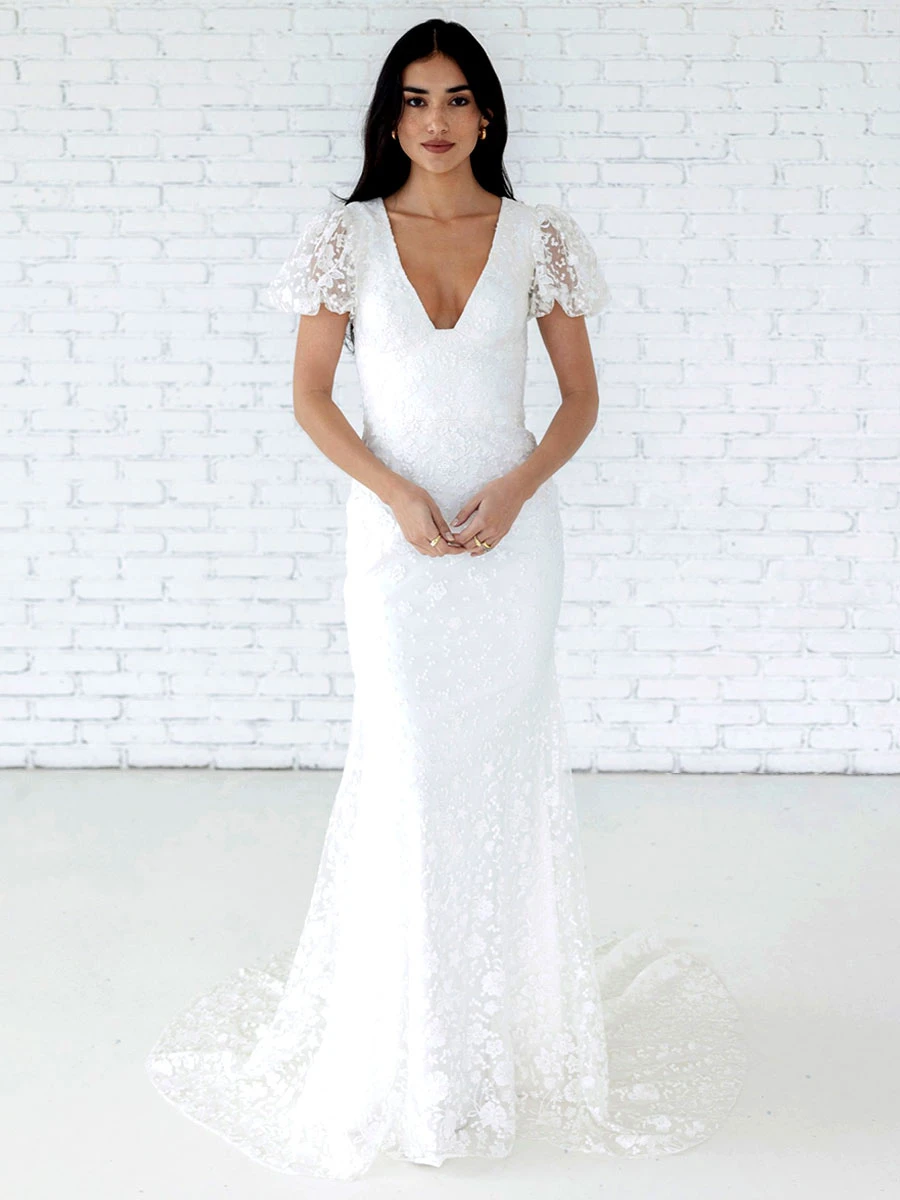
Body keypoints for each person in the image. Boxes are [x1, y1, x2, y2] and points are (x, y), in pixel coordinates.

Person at [145, 19, 747, 1181]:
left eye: (457, 98)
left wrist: (517, 489)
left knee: (498, 781)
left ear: (487, 116)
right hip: (394, 547)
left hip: (512, 547)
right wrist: (397, 497)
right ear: (389, 117)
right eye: (415, 99)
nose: (435, 120)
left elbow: (579, 398)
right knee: (415, 773)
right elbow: (312, 396)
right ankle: (420, 1058)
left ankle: (495, 1032)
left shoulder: (537, 237)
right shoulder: (345, 239)